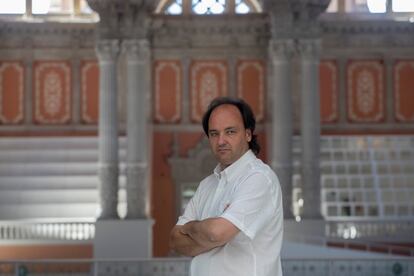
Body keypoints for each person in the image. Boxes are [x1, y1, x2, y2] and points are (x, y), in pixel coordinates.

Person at [169, 97, 283, 276]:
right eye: (214, 133)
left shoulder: (259, 178)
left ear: (248, 134)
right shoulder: (207, 185)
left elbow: (216, 233)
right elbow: (176, 242)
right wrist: (211, 231)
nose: (221, 141)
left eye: (230, 132)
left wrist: (190, 228)